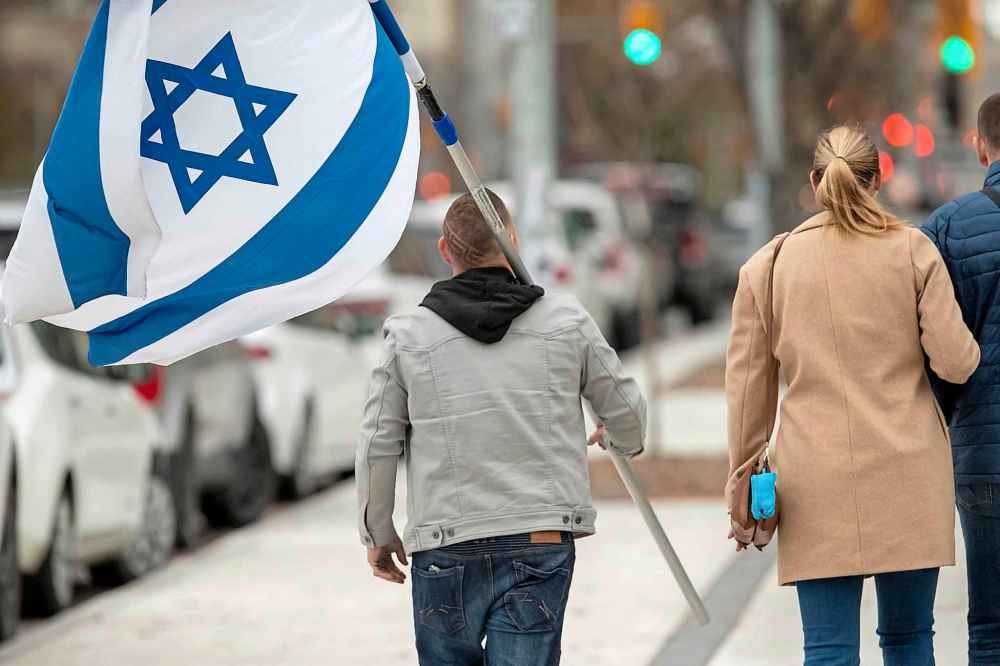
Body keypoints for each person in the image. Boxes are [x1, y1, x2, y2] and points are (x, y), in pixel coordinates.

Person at [355, 189, 646, 666]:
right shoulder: (566, 320)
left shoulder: (408, 337)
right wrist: (617, 439)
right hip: (539, 539)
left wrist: (378, 533)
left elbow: (377, 443)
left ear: (445, 250)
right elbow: (628, 414)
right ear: (512, 239)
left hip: (445, 544)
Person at [726, 125, 979, 665]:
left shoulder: (768, 267)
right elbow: (956, 362)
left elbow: (749, 396)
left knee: (827, 649)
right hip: (908, 472)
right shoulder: (912, 251)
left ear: (814, 181)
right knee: (910, 639)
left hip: (814, 481)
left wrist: (742, 490)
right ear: (878, 179)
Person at [923, 93, 1000, 666]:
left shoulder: (946, 228)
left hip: (983, 457)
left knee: (990, 627)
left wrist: (949, 412)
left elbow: (929, 347)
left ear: (979, 146)